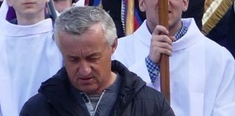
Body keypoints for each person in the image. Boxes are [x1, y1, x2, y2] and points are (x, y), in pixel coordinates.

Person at [112, 0, 235, 115]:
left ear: (185, 2)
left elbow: (229, 109)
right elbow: (112, 104)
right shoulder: (118, 52)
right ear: (141, 3)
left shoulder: (219, 58)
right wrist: (148, 65)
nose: (164, 1)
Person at [20, 6, 175, 115]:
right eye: (73, 60)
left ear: (113, 45)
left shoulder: (151, 106)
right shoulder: (38, 109)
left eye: (92, 58)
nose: (85, 70)